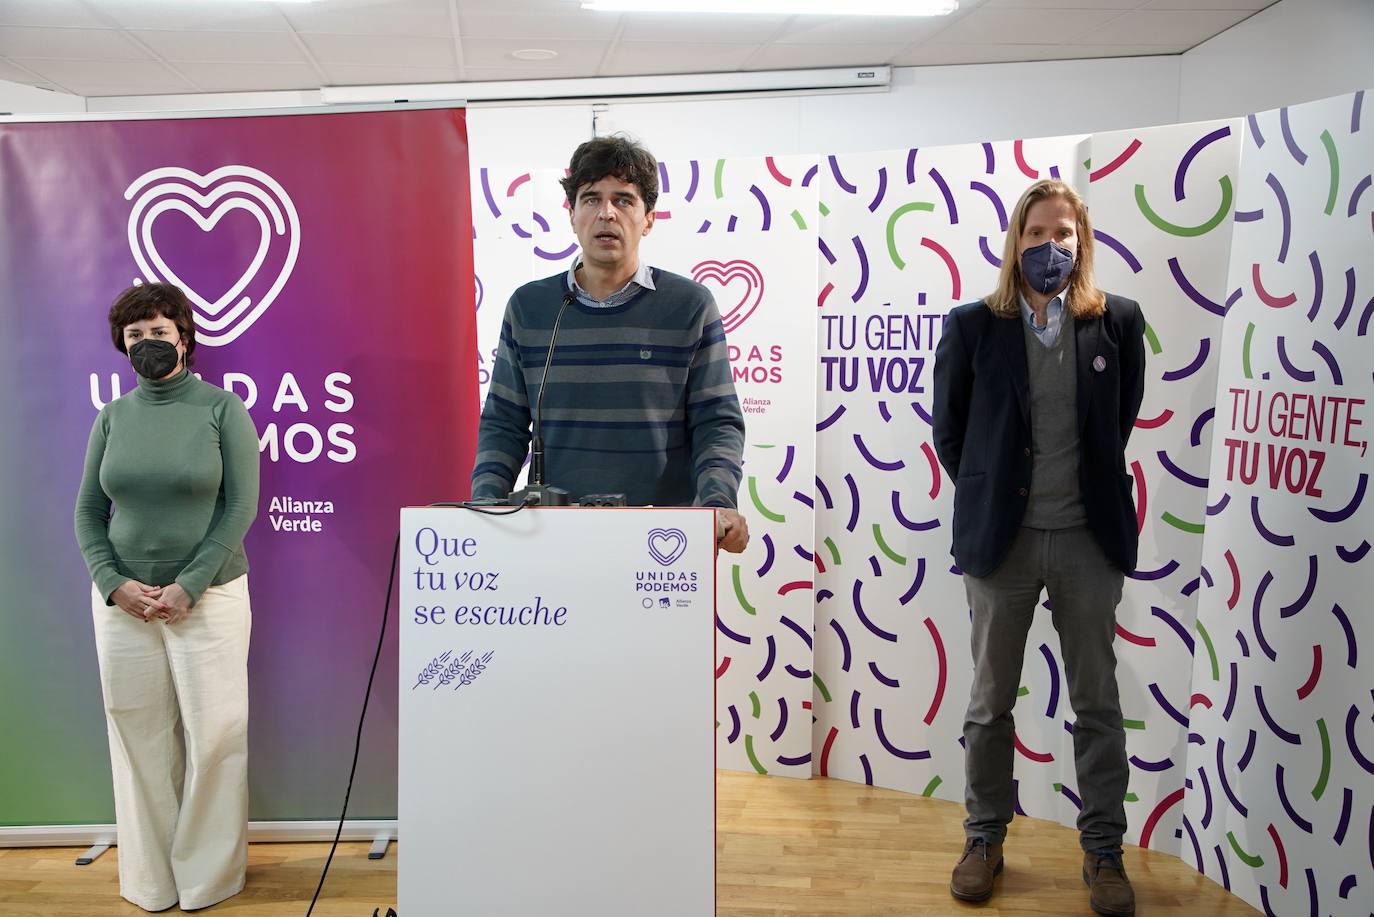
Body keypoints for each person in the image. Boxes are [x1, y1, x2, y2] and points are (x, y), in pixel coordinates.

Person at [932, 179, 1146, 916]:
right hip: (1003, 545)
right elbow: (952, 434)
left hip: (1090, 540)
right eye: (1035, 233)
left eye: (1063, 233)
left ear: (1081, 240)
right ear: (1013, 242)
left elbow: (1117, 424)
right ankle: (984, 837)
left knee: (1097, 703)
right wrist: (998, 495)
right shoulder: (972, 326)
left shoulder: (1117, 322)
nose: (1049, 246)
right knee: (991, 702)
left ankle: (1105, 852)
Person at [74, 282, 260, 912]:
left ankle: (208, 880)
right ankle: (150, 882)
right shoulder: (112, 417)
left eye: (158, 331)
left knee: (216, 737)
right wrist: (112, 582)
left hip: (210, 598)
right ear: (121, 346)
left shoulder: (221, 409)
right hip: (123, 606)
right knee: (137, 738)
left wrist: (190, 584)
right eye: (135, 335)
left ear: (184, 334)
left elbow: (240, 506)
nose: (148, 343)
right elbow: (87, 512)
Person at [471, 135, 750, 552]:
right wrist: (486, 508)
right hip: (549, 534)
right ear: (572, 214)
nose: (606, 213)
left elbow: (716, 421)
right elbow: (504, 423)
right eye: (591, 199)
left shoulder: (689, 304)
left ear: (648, 218)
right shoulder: (530, 307)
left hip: (664, 538)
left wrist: (717, 504)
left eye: (623, 200)